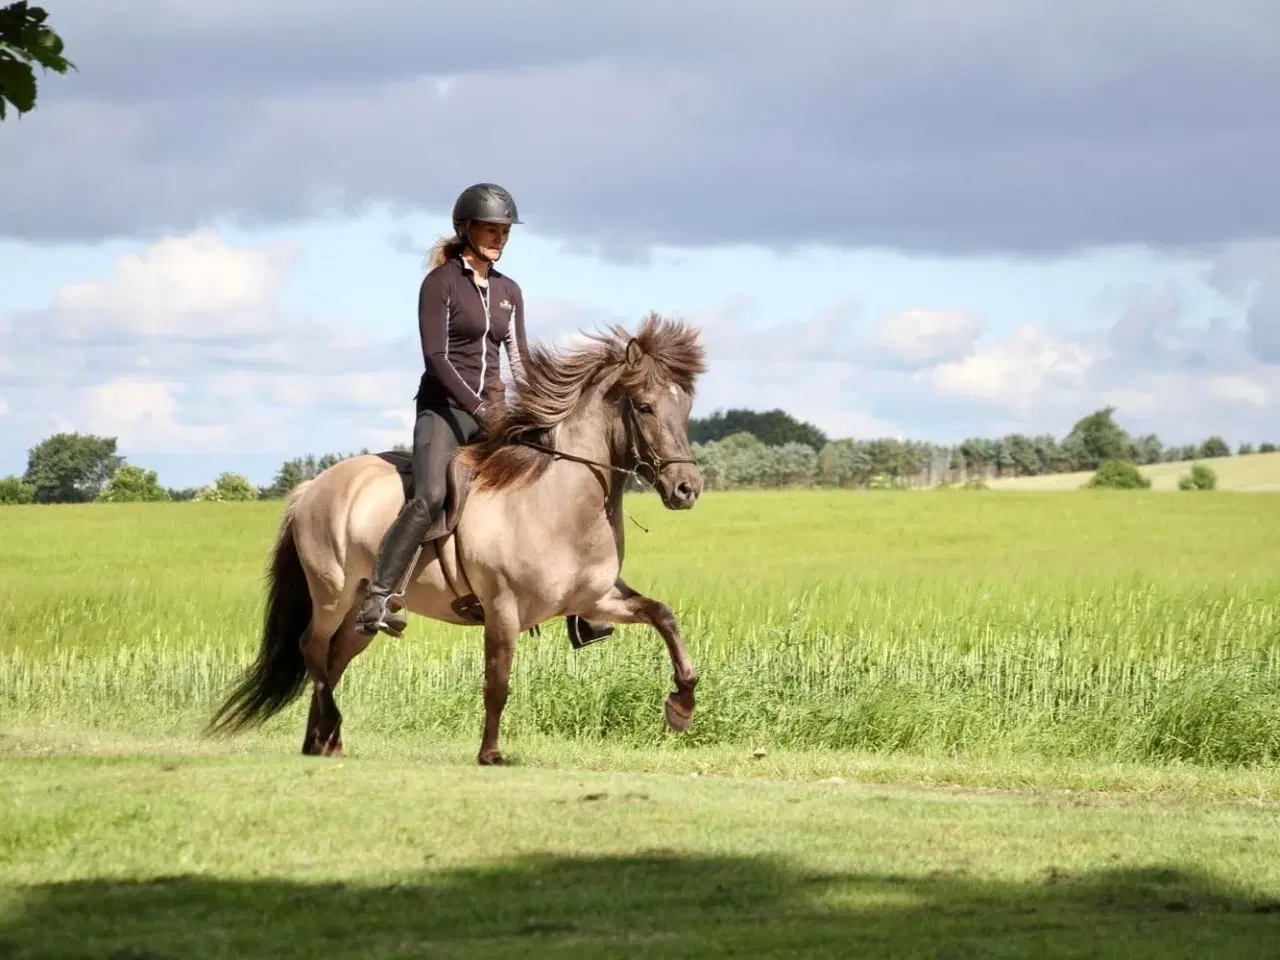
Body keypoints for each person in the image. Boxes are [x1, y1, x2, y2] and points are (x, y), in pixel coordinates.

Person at [355, 182, 616, 650]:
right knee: (431, 493)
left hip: (495, 414)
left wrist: (542, 409)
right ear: (466, 229)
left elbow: (518, 359)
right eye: (490, 229)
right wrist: (476, 408)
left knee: (552, 480)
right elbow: (436, 357)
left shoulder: (508, 291)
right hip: (444, 412)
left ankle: (579, 604)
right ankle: (378, 595)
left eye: (504, 231)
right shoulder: (440, 285)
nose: (499, 238)